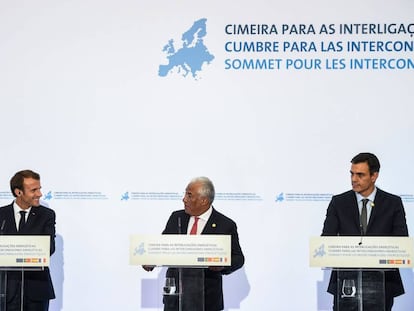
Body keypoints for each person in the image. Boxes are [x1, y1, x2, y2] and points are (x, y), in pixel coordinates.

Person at [321, 153, 409, 311]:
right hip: (346, 283)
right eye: (352, 174)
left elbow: (401, 242)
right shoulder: (338, 202)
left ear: (374, 176)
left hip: (382, 284)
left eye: (360, 175)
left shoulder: (393, 203)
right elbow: (327, 240)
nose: (354, 179)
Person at [143, 176, 245, 311]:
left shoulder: (225, 224)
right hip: (175, 299)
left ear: (204, 200)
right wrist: (152, 259)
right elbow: (164, 247)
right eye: (185, 194)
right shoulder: (176, 217)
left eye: (189, 195)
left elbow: (238, 258)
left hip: (207, 300)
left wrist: (223, 264)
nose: (184, 199)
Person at [0, 170, 56, 311]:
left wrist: (12, 251)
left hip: (36, 290)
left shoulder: (46, 215)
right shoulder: (1, 215)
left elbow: (48, 248)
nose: (39, 194)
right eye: (34, 190)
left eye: (39, 189)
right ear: (18, 192)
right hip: (6, 290)